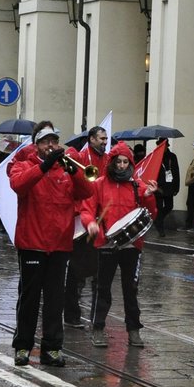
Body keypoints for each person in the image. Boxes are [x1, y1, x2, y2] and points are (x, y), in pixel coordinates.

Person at [9, 122, 94, 367]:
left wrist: (74, 170)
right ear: (36, 144)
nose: (51, 145)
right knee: (29, 299)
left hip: (59, 245)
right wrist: (44, 166)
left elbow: (87, 191)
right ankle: (23, 346)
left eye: (54, 141)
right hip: (32, 243)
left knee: (55, 300)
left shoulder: (66, 170)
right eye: (46, 141)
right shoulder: (24, 165)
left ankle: (52, 348)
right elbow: (19, 185)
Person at [84, 143, 156, 349]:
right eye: (119, 162)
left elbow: (151, 213)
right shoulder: (99, 184)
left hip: (131, 245)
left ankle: (133, 330)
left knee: (130, 289)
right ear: (112, 162)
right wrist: (90, 223)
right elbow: (87, 208)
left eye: (126, 162)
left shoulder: (137, 185)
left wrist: (150, 198)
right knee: (102, 288)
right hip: (106, 243)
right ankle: (97, 328)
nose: (122, 166)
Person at [64, 126, 110, 326]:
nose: (104, 142)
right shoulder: (80, 157)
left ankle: (96, 318)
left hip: (100, 220)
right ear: (91, 139)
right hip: (79, 220)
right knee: (76, 273)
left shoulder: (107, 159)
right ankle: (72, 314)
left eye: (106, 138)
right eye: (101, 138)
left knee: (98, 271)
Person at [155, 139, 181, 235]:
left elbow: (176, 172)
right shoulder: (155, 155)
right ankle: (160, 228)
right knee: (159, 207)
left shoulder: (172, 157)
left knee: (169, 206)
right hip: (158, 185)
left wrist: (176, 187)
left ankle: (158, 219)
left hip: (169, 185)